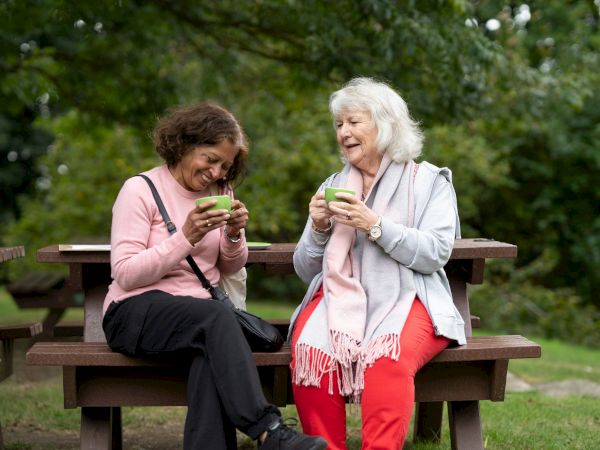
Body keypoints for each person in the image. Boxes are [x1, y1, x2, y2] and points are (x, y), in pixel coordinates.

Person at [102, 102, 327, 450]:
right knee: (213, 319)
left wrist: (235, 235)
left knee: (209, 352)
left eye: (225, 165)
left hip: (201, 320)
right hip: (134, 312)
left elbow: (228, 267)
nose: (216, 172)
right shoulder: (140, 190)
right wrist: (186, 236)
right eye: (210, 158)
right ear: (184, 144)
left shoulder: (220, 192)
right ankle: (268, 430)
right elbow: (126, 273)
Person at [290, 78, 467, 449]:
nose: (344, 133)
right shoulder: (334, 184)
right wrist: (320, 227)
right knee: (312, 354)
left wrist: (374, 226)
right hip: (340, 300)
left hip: (410, 297)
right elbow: (306, 270)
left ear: (385, 125)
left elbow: (435, 252)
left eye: (354, 122)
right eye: (339, 125)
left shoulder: (429, 182)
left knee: (386, 359)